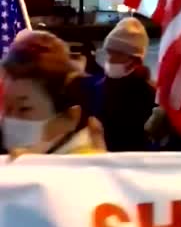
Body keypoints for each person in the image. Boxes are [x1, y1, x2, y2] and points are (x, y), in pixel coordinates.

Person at [1, 31, 105, 157]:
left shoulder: (86, 170)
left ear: (69, 118)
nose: (9, 121)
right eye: (6, 109)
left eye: (24, 109)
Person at [97, 17, 156, 152]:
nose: (110, 59)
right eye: (109, 53)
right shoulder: (100, 86)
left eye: (117, 54)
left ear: (134, 59)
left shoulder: (147, 94)